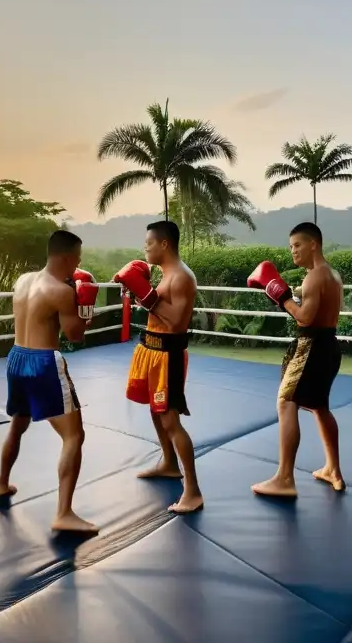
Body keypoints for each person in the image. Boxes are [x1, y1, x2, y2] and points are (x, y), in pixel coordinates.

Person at [0, 229, 101, 533]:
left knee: (18, 423)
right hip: (44, 363)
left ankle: (2, 484)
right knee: (74, 436)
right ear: (68, 257)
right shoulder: (61, 291)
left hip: (16, 357)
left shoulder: (23, 280)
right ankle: (64, 513)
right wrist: (86, 310)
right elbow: (75, 335)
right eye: (77, 259)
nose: (77, 265)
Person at [246, 221, 344, 498]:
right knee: (320, 407)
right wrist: (290, 293)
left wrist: (281, 296)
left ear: (314, 244)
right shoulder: (333, 275)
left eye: (298, 245)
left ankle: (284, 478)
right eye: (290, 247)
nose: (293, 252)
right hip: (329, 345)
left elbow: (305, 317)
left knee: (286, 402)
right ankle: (333, 470)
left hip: (310, 346)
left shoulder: (314, 276)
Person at [112, 220, 203, 515]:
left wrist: (147, 297)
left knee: (170, 420)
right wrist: (144, 295)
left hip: (169, 355)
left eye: (149, 243)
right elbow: (157, 312)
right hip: (151, 349)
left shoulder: (181, 277)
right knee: (155, 409)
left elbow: (177, 322)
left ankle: (193, 491)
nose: (145, 249)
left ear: (164, 244)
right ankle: (168, 463)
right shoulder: (165, 275)